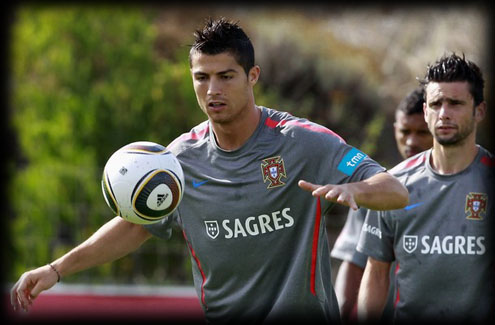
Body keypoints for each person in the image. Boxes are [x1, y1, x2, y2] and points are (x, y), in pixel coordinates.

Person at [10, 18, 409, 324]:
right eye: (202, 78)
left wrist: (358, 191)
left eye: (226, 76)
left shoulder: (302, 142)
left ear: (252, 77)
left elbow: (394, 189)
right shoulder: (177, 162)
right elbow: (133, 225)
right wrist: (56, 269)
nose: (212, 90)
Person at [357, 53, 493, 323]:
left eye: (455, 103)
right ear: (425, 112)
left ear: (479, 111)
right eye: (436, 103)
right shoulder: (393, 184)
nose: (444, 114)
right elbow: (375, 271)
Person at [330, 87, 432, 323]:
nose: (411, 141)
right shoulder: (375, 187)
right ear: (395, 129)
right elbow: (353, 263)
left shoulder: (458, 185)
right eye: (405, 131)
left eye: (421, 132)